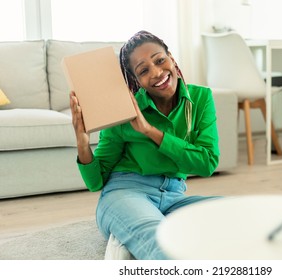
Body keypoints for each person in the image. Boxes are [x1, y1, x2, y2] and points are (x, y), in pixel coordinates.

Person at [70, 30, 220, 260]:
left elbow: (207, 163)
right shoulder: (124, 110)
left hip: (174, 197)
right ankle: (134, 232)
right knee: (163, 245)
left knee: (240, 214)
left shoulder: (200, 99)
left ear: (171, 57)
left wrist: (149, 131)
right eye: (144, 70)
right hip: (126, 192)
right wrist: (82, 142)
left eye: (160, 60)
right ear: (136, 80)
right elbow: (95, 181)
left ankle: (127, 241)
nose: (157, 72)